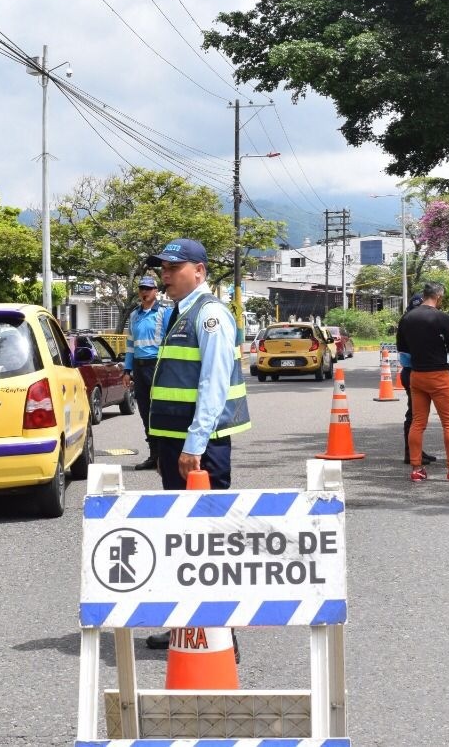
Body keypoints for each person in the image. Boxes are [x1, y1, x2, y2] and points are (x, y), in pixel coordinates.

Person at [142, 238, 251, 650]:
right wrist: (165, 450)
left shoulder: (210, 316)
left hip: (200, 446)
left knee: (208, 538)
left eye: (173, 268)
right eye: (163, 269)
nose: (164, 276)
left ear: (199, 271)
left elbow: (213, 385)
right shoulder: (179, 313)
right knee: (183, 537)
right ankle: (186, 625)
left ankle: (221, 634)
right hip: (178, 444)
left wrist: (193, 446)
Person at [396, 281, 449, 481]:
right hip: (439, 376)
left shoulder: (407, 318)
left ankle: (416, 469)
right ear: (439, 296)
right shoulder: (441, 317)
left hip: (417, 375)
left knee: (418, 423)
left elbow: (403, 348)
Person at [122, 274, 170, 471]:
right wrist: (127, 370)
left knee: (160, 410)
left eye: (148, 289)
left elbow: (170, 341)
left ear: (155, 292)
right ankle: (154, 455)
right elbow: (131, 345)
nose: (144, 292)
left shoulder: (164, 313)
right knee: (145, 412)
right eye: (142, 288)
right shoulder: (134, 315)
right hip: (140, 369)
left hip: (158, 366)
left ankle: (165, 455)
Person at [398, 293, 437, 465]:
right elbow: (405, 353)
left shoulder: (413, 321)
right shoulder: (407, 323)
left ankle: (416, 450)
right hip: (412, 371)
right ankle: (411, 453)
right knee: (414, 414)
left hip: (419, 371)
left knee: (419, 414)